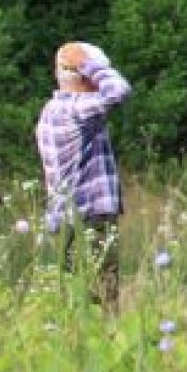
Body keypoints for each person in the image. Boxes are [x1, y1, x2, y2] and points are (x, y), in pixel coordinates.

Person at [36, 42, 131, 310]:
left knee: (74, 305)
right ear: (84, 77)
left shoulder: (52, 110)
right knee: (102, 305)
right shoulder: (75, 109)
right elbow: (119, 92)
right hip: (87, 220)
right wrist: (89, 65)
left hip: (64, 221)